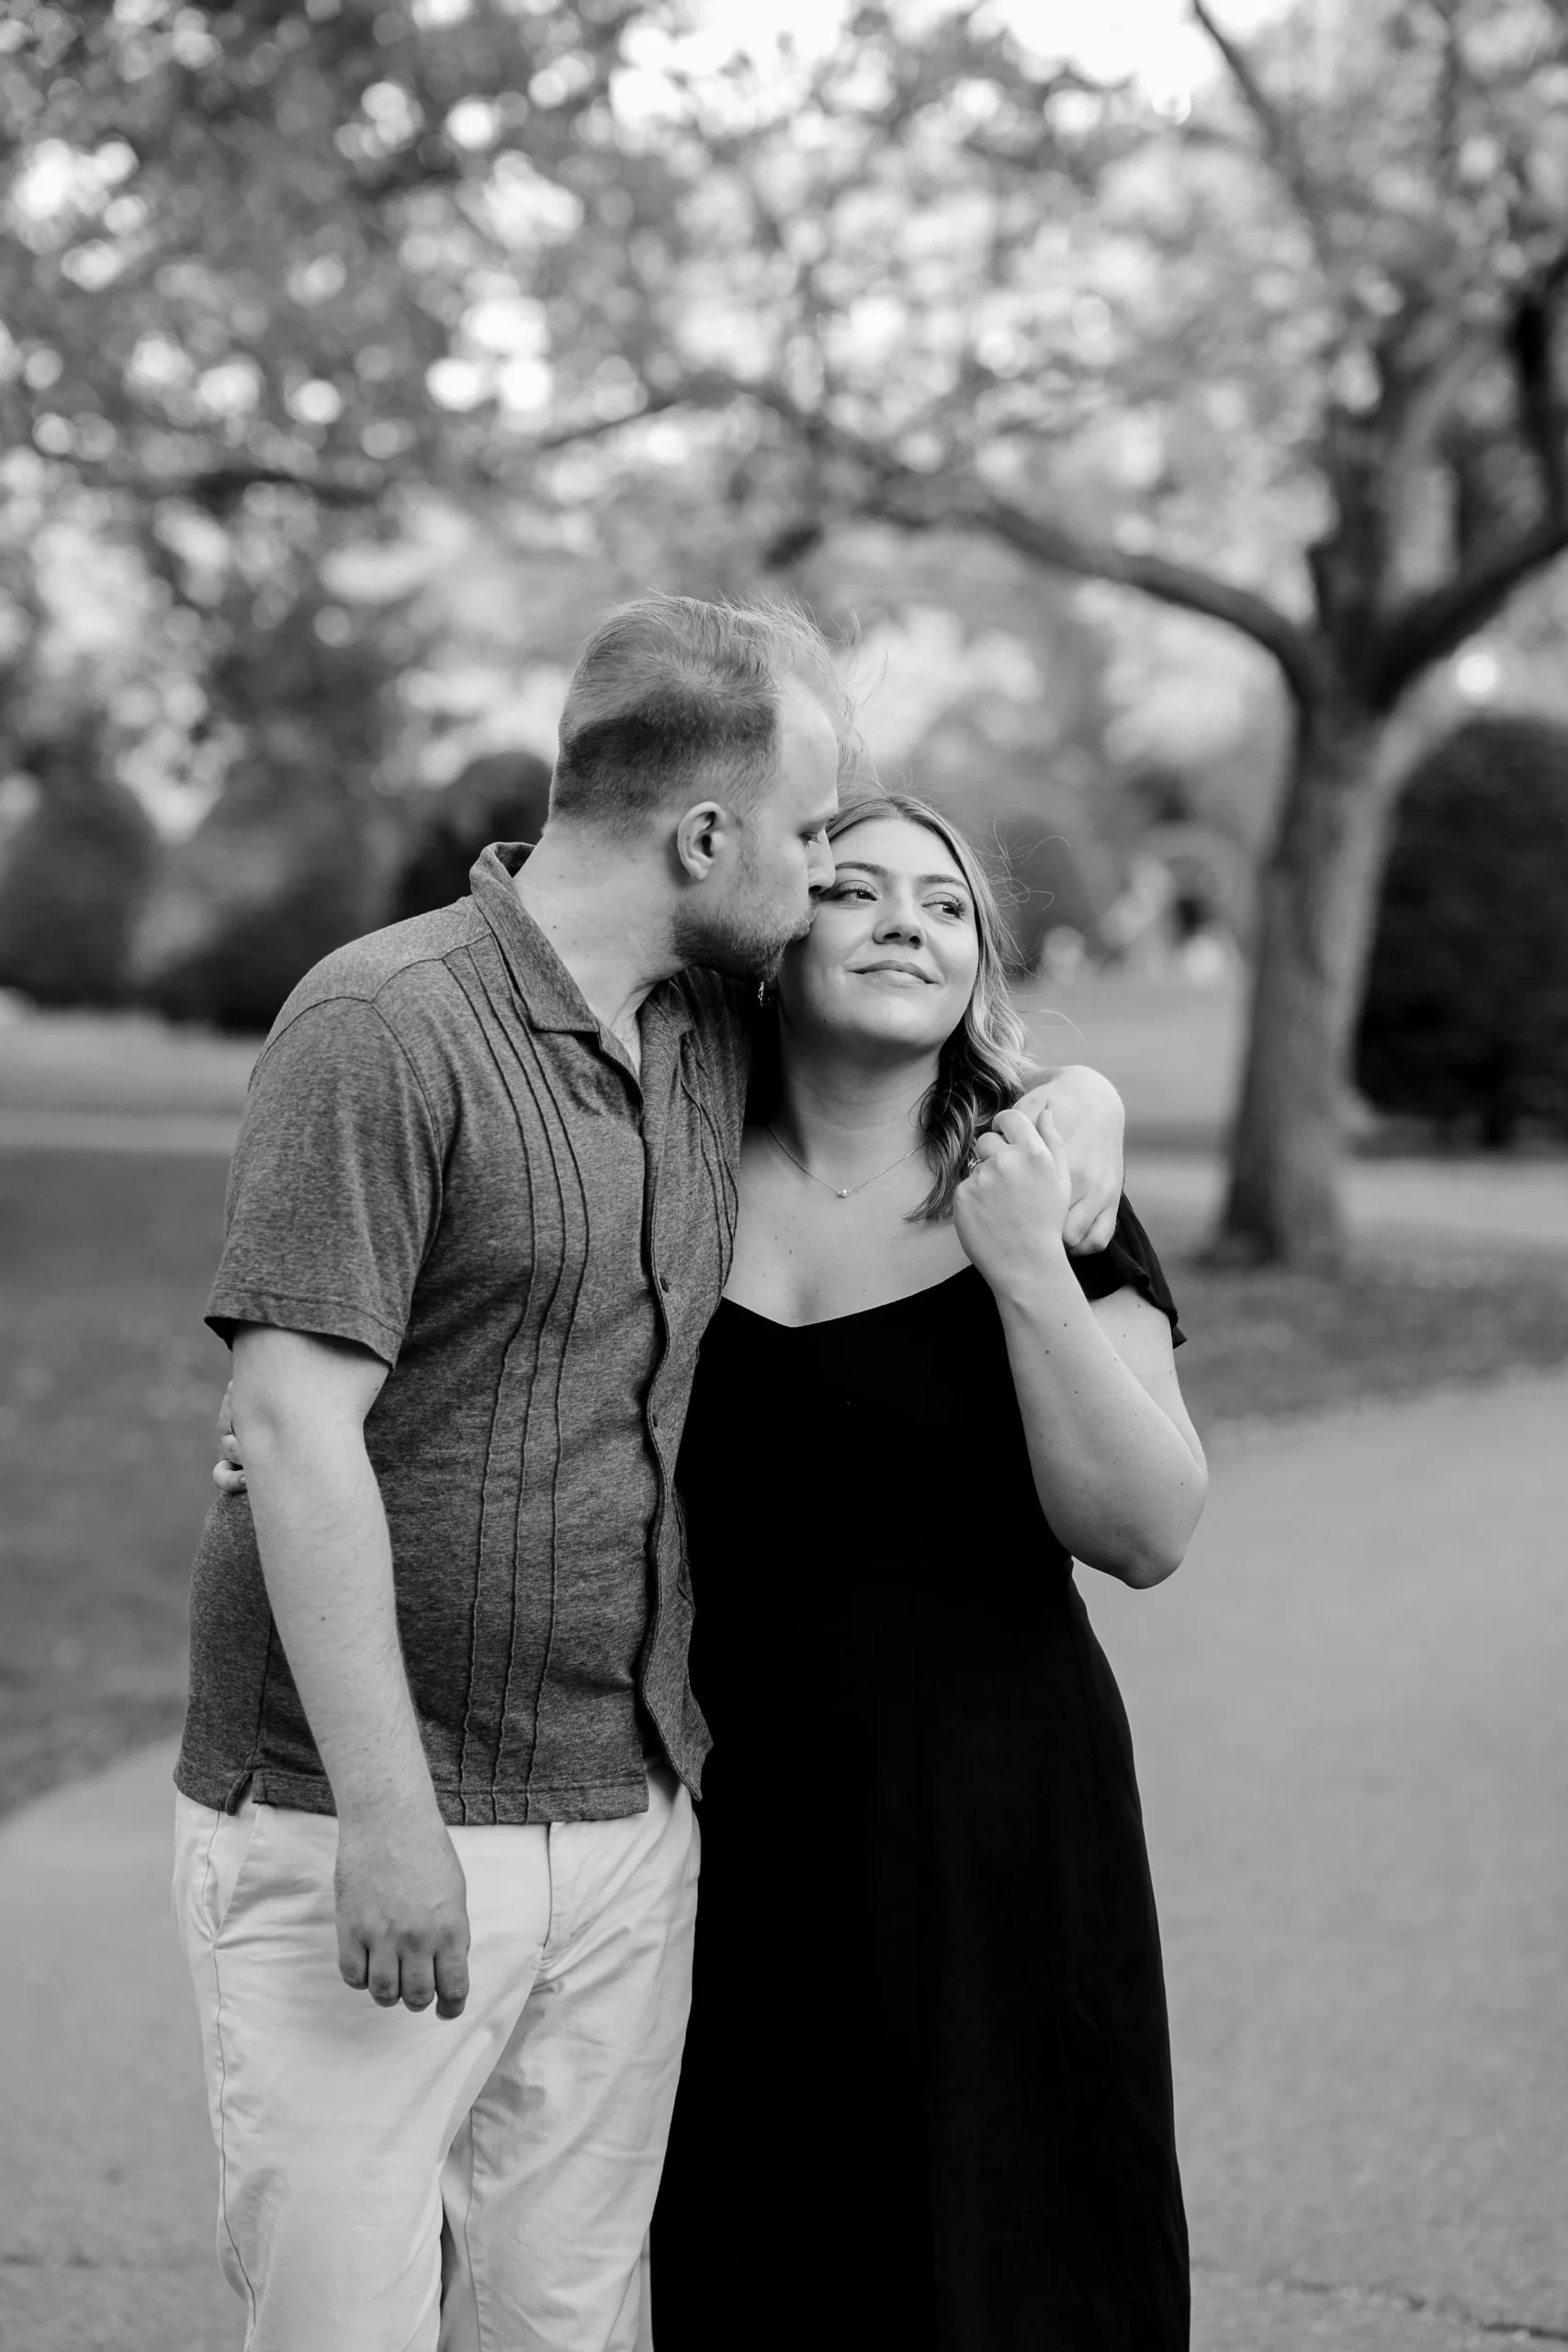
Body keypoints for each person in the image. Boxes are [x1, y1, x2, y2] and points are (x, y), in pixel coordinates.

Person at [180, 594, 1129, 2352]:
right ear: (706, 839)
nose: (830, 874)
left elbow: (929, 1040)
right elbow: (300, 1427)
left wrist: (1081, 1106)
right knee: (342, 2322)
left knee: (570, 2322)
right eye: (811, 838)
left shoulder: (701, 1039)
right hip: (370, 1816)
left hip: (628, 1815)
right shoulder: (381, 1022)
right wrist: (389, 1821)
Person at [649, 790, 1207, 2352]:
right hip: (725, 1840)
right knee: (755, 2271)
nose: (908, 920)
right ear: (774, 936)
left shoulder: (1048, 1193)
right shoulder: (665, 1189)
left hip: (995, 1835)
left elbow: (1147, 1529)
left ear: (978, 969)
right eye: (854, 890)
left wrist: (1023, 1264)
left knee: (1005, 2266)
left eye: (946, 904)